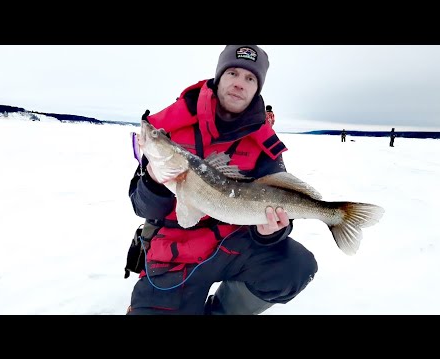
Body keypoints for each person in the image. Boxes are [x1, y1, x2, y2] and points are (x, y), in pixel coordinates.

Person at [127, 45, 318, 315]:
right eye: (232, 73)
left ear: (257, 88)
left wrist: (272, 232)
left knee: (295, 266)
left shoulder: (265, 147)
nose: (239, 83)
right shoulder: (170, 130)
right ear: (219, 77)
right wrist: (154, 182)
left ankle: (221, 311)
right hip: (172, 250)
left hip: (232, 244)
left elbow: (279, 200)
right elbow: (141, 207)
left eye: (250, 78)